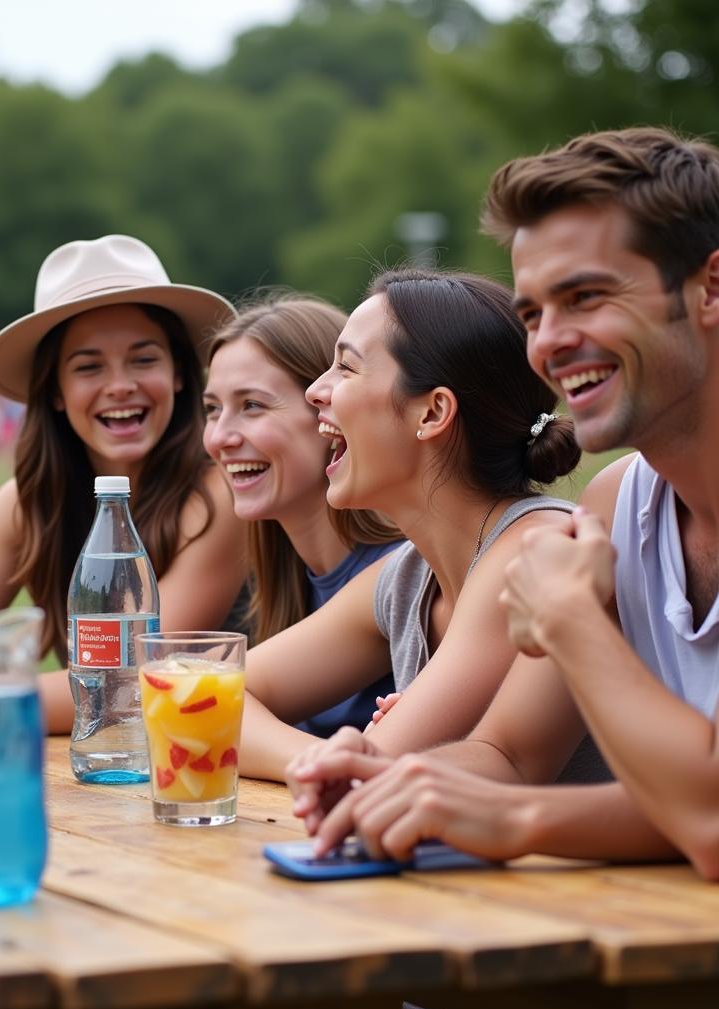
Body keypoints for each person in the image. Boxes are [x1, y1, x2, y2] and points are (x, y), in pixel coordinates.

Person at [289, 127, 719, 881]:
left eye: (585, 296)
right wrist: (400, 779)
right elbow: (512, 754)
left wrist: (569, 622)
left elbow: (709, 820)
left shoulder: (561, 551)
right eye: (532, 314)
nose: (552, 343)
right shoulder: (618, 508)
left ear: (709, 289)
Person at [235, 267, 582, 781]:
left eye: (346, 369)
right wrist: (323, 761)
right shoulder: (405, 577)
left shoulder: (533, 550)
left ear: (432, 413)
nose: (315, 391)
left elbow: (365, 774)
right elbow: (207, 693)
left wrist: (349, 763)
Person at [0, 234, 247, 732]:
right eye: (89, 366)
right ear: (53, 390)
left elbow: (133, 681)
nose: (120, 385)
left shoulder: (218, 495)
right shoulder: (25, 505)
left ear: (180, 374)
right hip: (92, 780)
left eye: (144, 359)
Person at [202, 293, 403, 736]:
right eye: (212, 410)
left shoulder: (405, 570)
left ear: (331, 409)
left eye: (252, 405)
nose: (220, 437)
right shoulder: (280, 576)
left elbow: (202, 703)